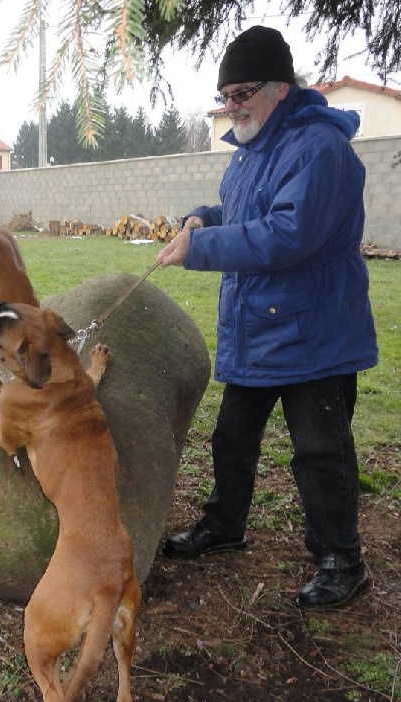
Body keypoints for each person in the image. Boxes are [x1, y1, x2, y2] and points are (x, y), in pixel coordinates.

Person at [156, 26, 378, 609]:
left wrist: (198, 250)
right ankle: (225, 526)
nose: (231, 107)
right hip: (260, 329)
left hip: (317, 333)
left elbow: (288, 235)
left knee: (320, 451)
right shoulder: (254, 147)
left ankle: (341, 560)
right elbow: (242, 210)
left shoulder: (320, 149)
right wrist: (203, 218)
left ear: (280, 88)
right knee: (232, 438)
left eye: (241, 93)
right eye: (224, 96)